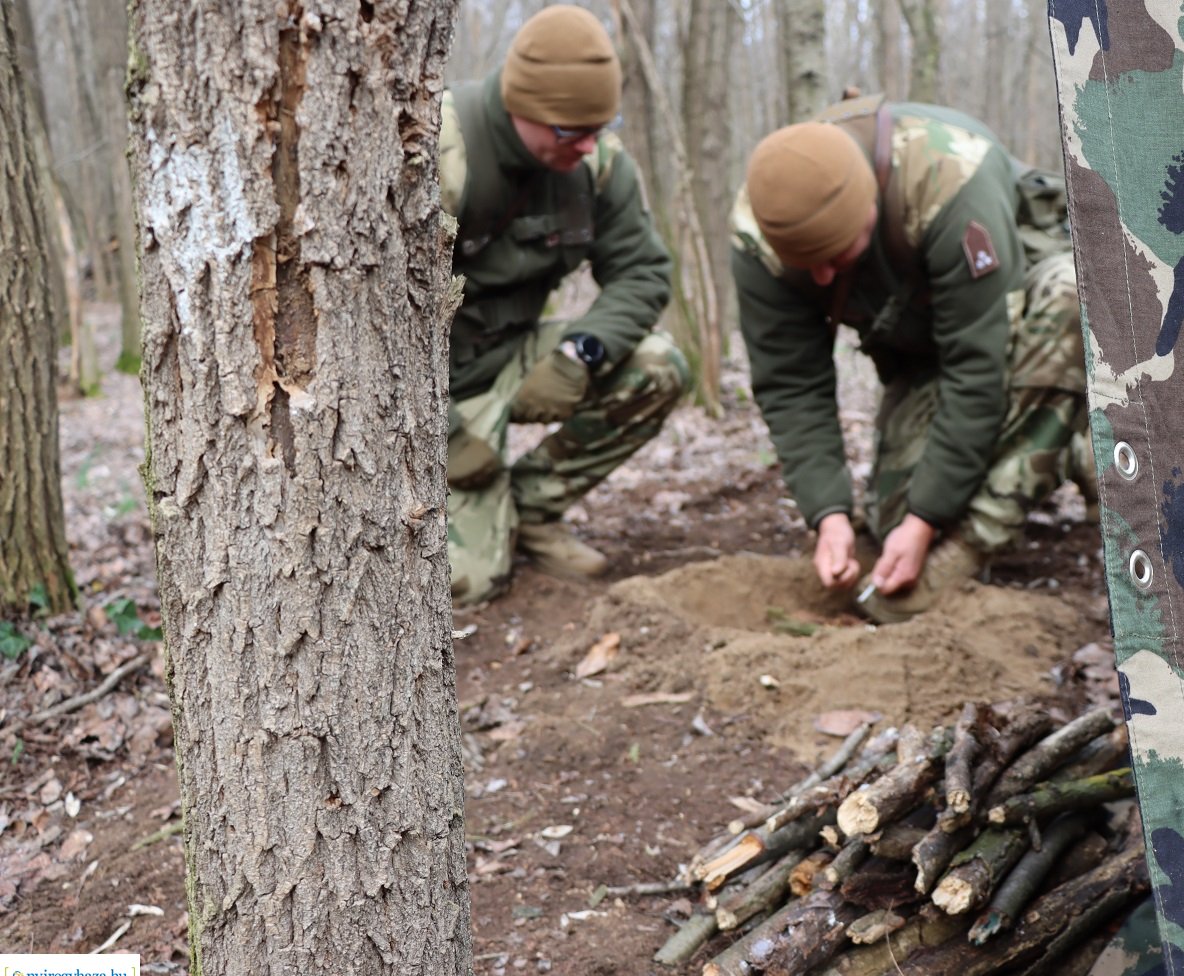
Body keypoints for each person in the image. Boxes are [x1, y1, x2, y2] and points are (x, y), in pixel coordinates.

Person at [732, 96, 1093, 623]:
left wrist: (930, 524)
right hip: (922, 356)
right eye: (808, 267)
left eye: (837, 256)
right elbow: (790, 383)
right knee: (891, 522)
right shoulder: (760, 229)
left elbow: (977, 370)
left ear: (872, 209)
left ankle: (980, 534)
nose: (825, 279)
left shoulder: (950, 180)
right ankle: (1064, 444)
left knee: (1073, 297)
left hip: (1015, 319)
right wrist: (829, 515)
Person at [438, 5, 686, 602]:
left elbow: (643, 271)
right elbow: (365, 330)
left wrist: (582, 351)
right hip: (430, 391)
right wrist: (439, 433)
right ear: (521, 108)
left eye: (601, 126)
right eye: (572, 132)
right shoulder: (443, 151)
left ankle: (531, 505)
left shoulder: (595, 163)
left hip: (516, 356)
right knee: (467, 586)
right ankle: (478, 505)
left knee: (658, 366)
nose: (590, 145)